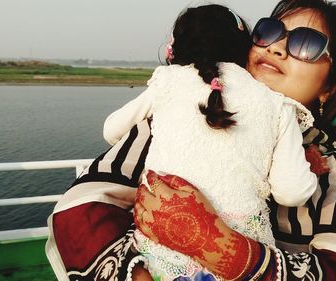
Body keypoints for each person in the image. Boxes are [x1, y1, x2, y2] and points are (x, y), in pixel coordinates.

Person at [46, 0, 336, 280]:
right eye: (269, 31)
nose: (277, 47)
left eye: (307, 44)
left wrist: (225, 248)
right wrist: (140, 276)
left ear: (330, 86)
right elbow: (80, 209)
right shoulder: (185, 115)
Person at [102, 4, 317, 280]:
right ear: (244, 48)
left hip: (160, 253)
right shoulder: (277, 104)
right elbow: (292, 193)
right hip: (236, 258)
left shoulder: (168, 81)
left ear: (176, 48)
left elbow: (111, 130)